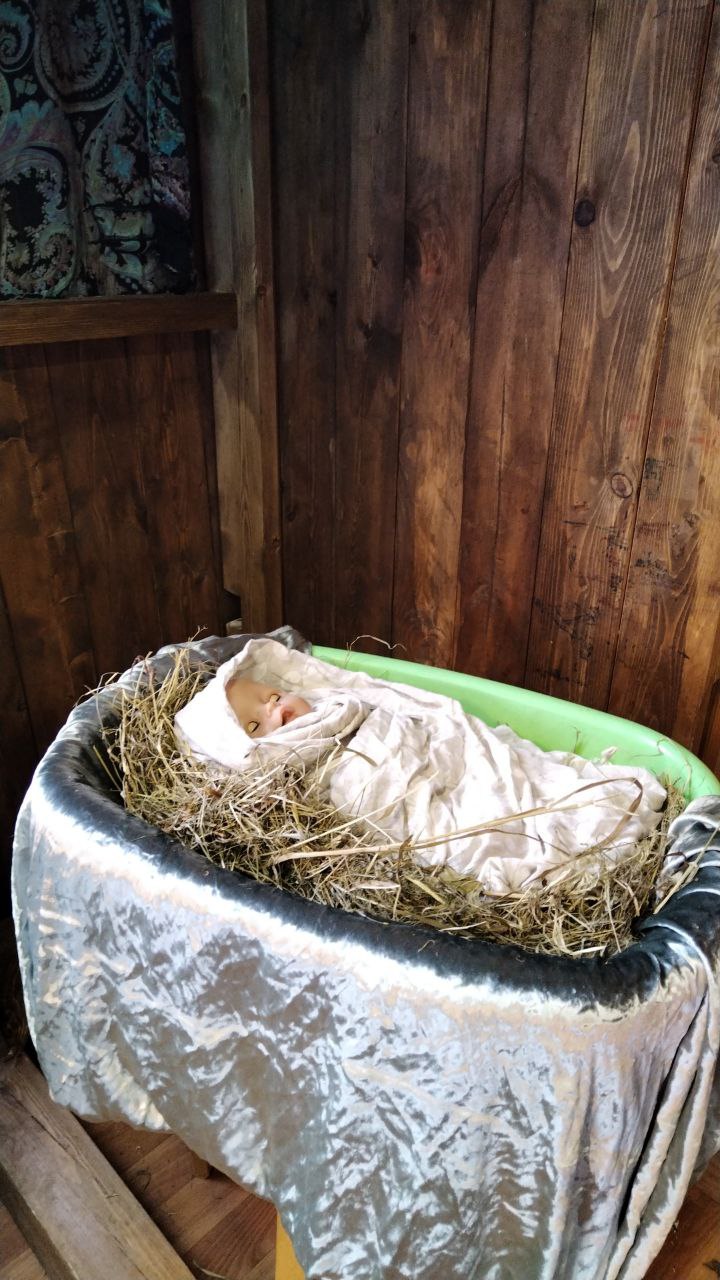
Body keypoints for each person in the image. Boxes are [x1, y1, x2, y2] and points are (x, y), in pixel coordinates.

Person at [174, 637, 667, 893]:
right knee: (464, 837)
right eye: (256, 725)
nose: (276, 710)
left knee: (508, 775)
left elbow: (417, 719)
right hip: (379, 786)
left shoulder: (338, 705)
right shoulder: (289, 773)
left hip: (427, 755)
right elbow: (366, 808)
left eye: (271, 696)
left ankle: (568, 804)